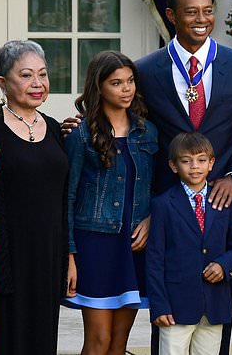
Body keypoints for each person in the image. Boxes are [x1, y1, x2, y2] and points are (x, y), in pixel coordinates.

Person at [63, 0, 232, 353]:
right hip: (167, 212)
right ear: (172, 16)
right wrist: (74, 124)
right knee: (168, 319)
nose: (202, 19)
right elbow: (120, 118)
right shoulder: (145, 70)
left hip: (222, 211)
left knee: (215, 320)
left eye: (208, 11)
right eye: (191, 12)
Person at [62, 50, 158, 354]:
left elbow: (158, 186)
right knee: (98, 340)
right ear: (99, 86)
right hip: (95, 246)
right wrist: (70, 255)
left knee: (119, 343)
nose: (126, 89)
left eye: (130, 81)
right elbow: (68, 197)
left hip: (134, 245)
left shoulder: (147, 132)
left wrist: (151, 218)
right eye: (117, 83)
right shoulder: (80, 135)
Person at [0, 40, 69, 354]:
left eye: (43, 75)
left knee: (43, 336)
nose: (38, 84)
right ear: (3, 83)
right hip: (5, 253)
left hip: (48, 253)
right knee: (7, 335)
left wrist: (69, 258)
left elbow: (64, 199)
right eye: (27, 75)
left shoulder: (58, 130)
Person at [147, 132, 232, 355]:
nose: (195, 166)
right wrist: (159, 306)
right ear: (174, 166)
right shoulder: (163, 204)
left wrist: (224, 265)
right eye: (186, 161)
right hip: (175, 308)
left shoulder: (225, 202)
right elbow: (154, 259)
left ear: (211, 163)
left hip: (214, 306)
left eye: (201, 160)